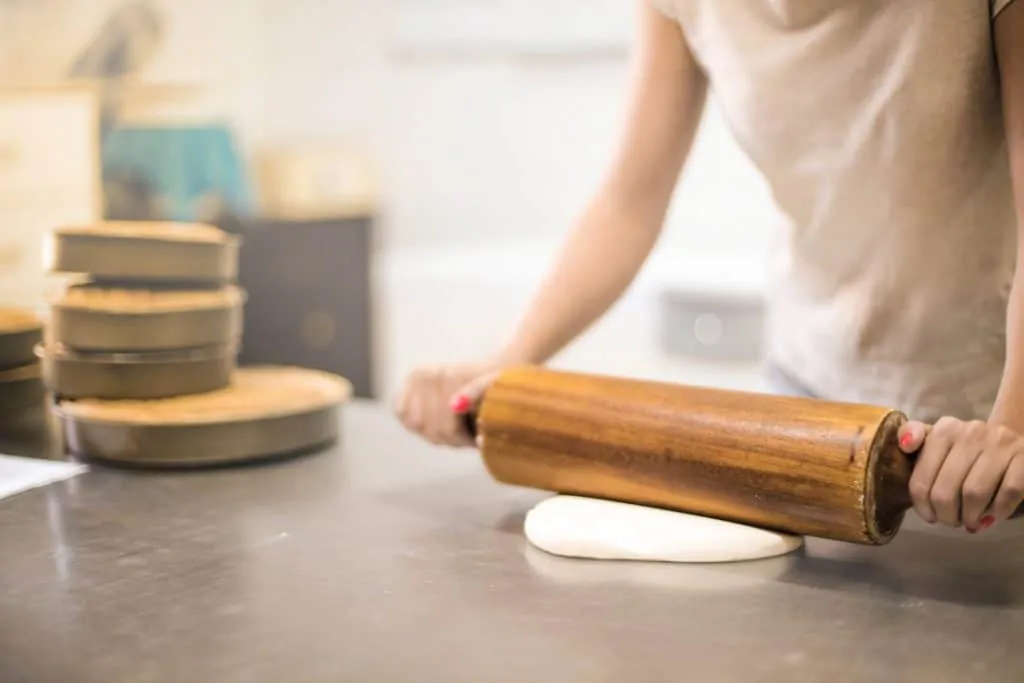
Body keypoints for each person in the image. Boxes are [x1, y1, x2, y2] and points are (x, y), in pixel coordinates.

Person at [396, 1, 1024, 534]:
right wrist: (515, 355)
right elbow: (629, 202)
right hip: (813, 406)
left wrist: (1010, 428)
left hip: (986, 415)